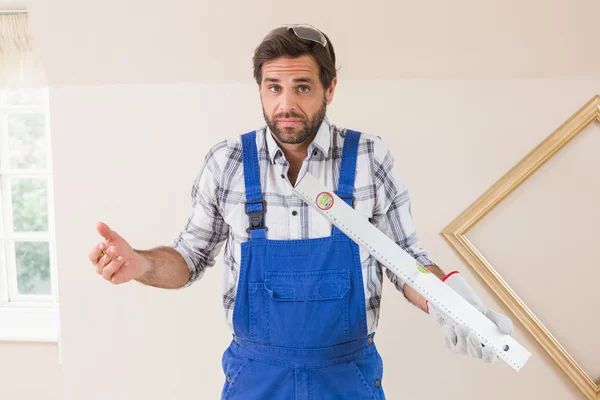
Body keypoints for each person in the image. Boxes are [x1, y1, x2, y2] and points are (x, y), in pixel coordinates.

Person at [88, 24, 514, 399]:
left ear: (330, 89)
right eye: (273, 87)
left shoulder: (369, 157)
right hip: (256, 379)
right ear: (260, 89)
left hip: (347, 379)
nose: (286, 104)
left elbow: (405, 263)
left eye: (302, 87)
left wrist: (452, 305)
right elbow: (188, 259)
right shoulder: (229, 162)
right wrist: (140, 263)